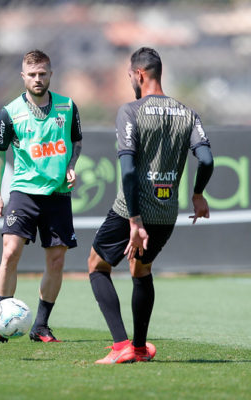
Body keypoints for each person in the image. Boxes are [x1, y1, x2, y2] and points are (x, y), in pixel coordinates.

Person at [88, 47, 214, 364]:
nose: (130, 80)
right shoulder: (188, 113)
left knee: (96, 265)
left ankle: (121, 346)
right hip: (166, 210)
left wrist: (133, 220)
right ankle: (141, 348)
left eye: (130, 75)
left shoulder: (130, 112)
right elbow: (207, 160)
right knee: (141, 268)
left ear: (140, 74)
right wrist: (198, 194)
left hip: (132, 210)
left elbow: (129, 171)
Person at [0, 49, 82, 343]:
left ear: (51, 74)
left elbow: (76, 143)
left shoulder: (68, 107)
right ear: (23, 77)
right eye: (32, 74)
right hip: (23, 192)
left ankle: (41, 326)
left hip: (58, 194)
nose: (38, 79)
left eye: (43, 74)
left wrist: (71, 166)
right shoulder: (9, 112)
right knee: (10, 252)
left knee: (56, 261)